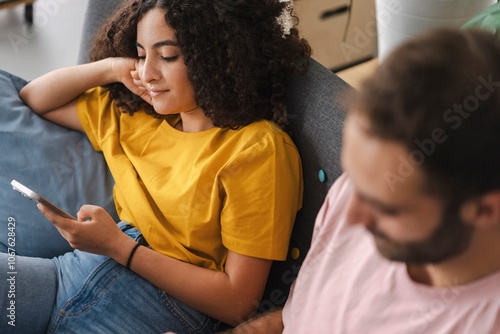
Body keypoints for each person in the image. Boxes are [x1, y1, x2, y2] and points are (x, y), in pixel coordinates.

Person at [0, 0, 311, 333]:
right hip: (71, 272)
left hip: (162, 307)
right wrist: (112, 68)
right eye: (141, 54)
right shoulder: (136, 115)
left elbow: (238, 303)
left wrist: (119, 246)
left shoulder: (258, 149)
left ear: (217, 57)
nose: (147, 74)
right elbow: (35, 97)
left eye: (167, 56)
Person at [227, 28, 500, 333]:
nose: (350, 215)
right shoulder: (356, 193)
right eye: (352, 179)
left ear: (485, 211)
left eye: (386, 208)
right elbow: (296, 319)